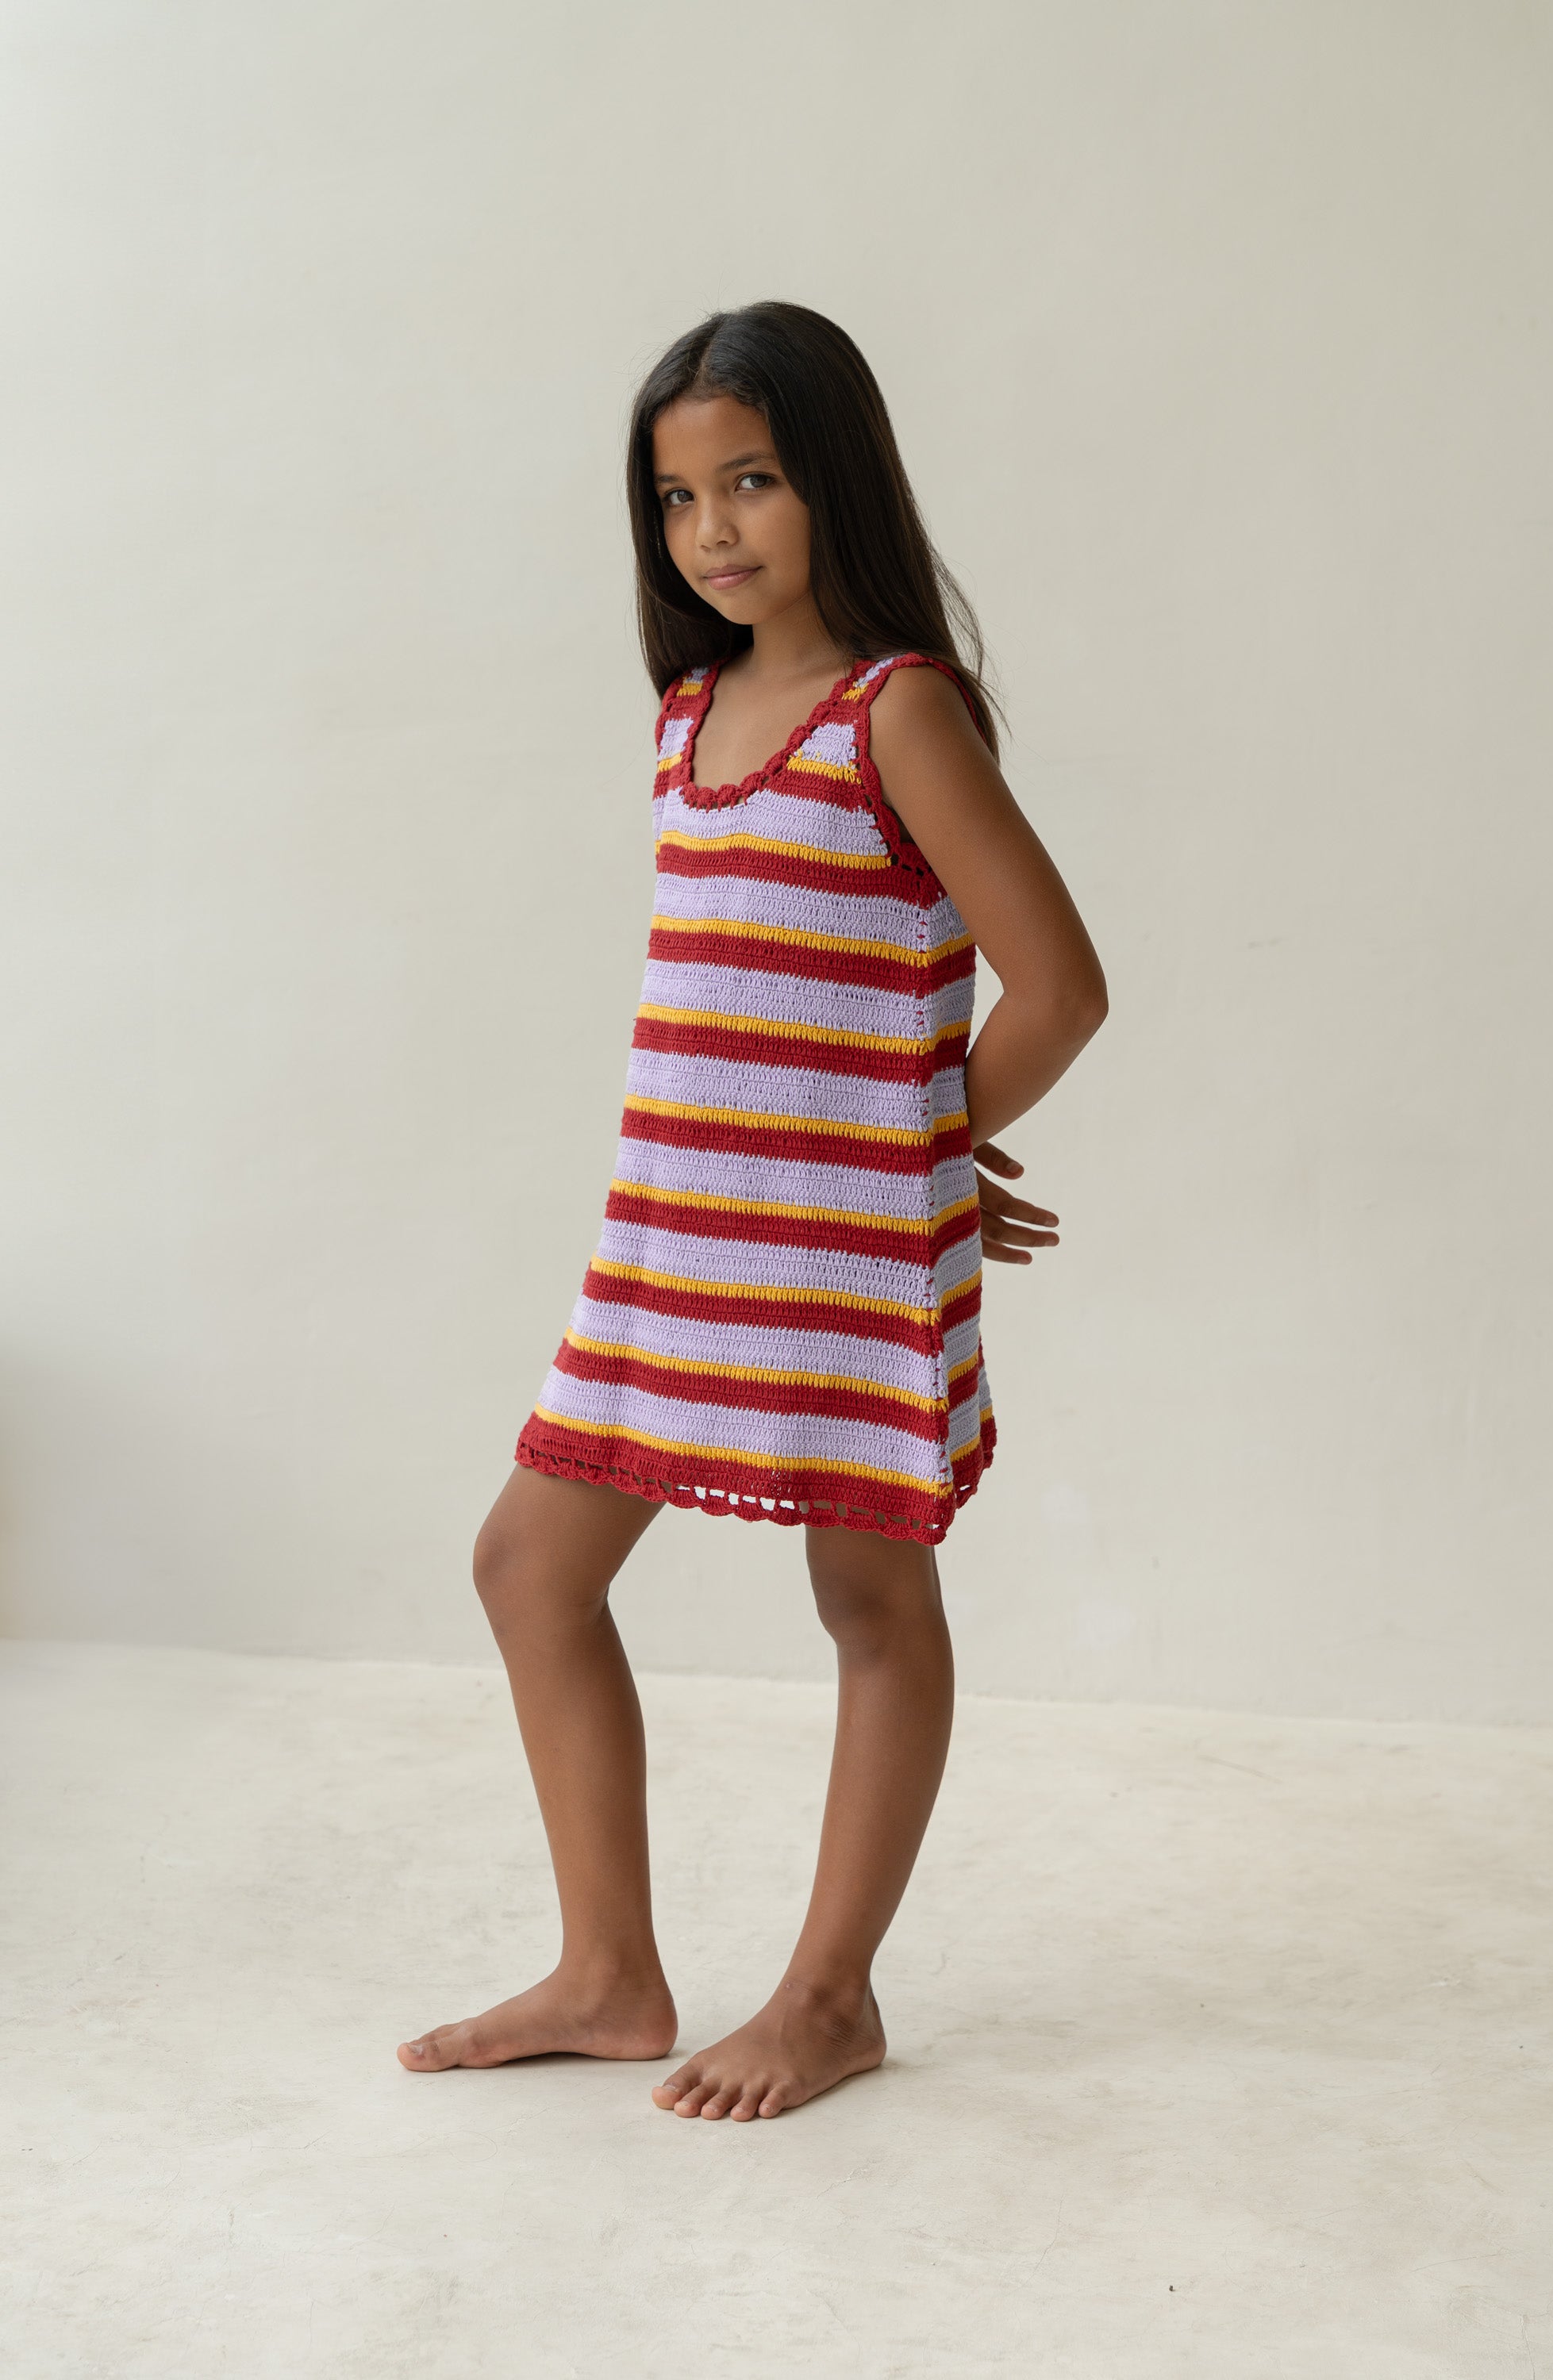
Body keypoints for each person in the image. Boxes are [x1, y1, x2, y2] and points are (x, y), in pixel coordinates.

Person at [399, 301, 1107, 2120]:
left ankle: (828, 1993)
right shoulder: (688, 720)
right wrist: (910, 1137)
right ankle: (610, 1972)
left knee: (869, 1594)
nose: (712, 529)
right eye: (677, 497)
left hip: (834, 1270)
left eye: (754, 482)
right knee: (525, 1566)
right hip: (667, 1248)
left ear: (834, 484)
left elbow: (1057, 987)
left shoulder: (900, 712)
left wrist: (922, 1160)